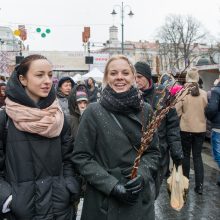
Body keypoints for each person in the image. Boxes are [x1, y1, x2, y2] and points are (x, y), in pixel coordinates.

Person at [72, 55, 160, 220]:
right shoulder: (93, 112)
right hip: (104, 200)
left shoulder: (145, 110)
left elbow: (153, 152)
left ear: (133, 77)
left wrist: (141, 174)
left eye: (125, 73)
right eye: (113, 73)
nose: (120, 77)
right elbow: (81, 157)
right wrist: (112, 186)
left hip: (138, 197)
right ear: (106, 78)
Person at [0, 54, 79, 219]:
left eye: (50, 75)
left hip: (58, 208)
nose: (47, 80)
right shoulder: (5, 119)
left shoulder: (58, 117)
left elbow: (69, 158)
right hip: (21, 211)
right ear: (23, 79)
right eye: (39, 75)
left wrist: (69, 186)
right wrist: (7, 198)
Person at [134, 61, 183, 197]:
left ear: (148, 77)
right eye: (134, 77)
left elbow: (172, 125)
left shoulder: (162, 94)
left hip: (160, 153)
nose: (136, 80)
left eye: (139, 77)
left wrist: (176, 151)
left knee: (153, 192)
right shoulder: (132, 95)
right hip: (137, 155)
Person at [176, 67, 207, 194]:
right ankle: (199, 186)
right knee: (198, 157)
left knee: (186, 156)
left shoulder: (183, 92)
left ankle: (186, 184)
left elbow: (177, 111)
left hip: (186, 129)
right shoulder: (204, 93)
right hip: (200, 129)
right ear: (198, 78)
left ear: (188, 78)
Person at [205, 77, 220, 186]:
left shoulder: (216, 90)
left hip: (218, 127)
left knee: (217, 154)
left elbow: (212, 109)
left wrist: (208, 116)